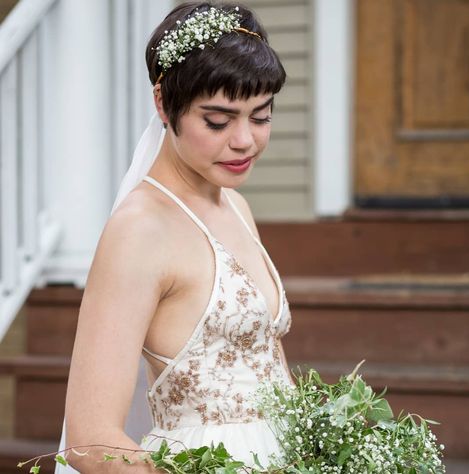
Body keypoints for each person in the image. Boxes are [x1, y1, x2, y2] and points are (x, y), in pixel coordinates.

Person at [59, 2, 293, 472]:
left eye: (261, 116)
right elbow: (87, 438)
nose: (245, 140)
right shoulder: (139, 231)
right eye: (218, 121)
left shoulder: (237, 206)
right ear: (164, 103)